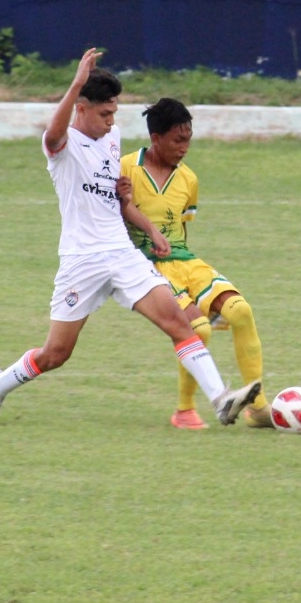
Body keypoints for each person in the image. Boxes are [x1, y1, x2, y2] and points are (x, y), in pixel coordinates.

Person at [0, 49, 260, 426]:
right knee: (56, 353)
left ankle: (221, 399)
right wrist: (76, 82)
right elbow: (54, 132)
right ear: (81, 107)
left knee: (179, 323)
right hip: (82, 261)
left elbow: (118, 201)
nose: (111, 123)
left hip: (123, 254)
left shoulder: (111, 141)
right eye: (104, 114)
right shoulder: (62, 146)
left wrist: (149, 226)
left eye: (114, 114)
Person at [118, 98, 273, 430]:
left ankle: (258, 409)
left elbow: (183, 231)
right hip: (145, 265)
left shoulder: (189, 179)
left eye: (188, 139)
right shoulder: (125, 168)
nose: (185, 148)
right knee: (199, 329)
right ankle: (185, 411)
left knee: (241, 312)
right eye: (178, 140)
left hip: (184, 260)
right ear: (155, 138)